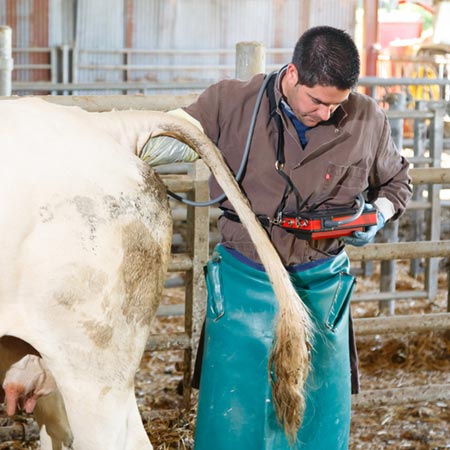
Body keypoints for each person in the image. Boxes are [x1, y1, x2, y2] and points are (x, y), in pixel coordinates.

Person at [140, 26, 412, 450]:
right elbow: (173, 136)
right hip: (244, 282)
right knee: (234, 419)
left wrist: (378, 214)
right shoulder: (230, 103)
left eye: (335, 104)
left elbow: (398, 181)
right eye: (317, 101)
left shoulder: (366, 119)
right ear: (291, 74)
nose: (325, 113)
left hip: (320, 289)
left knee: (316, 422)